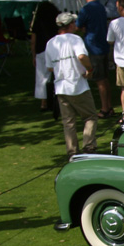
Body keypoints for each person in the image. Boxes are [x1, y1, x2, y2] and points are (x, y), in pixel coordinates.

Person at [45, 12, 98, 156]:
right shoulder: (75, 39)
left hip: (61, 87)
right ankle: (88, 146)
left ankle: (72, 152)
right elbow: (81, 56)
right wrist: (89, 69)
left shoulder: (51, 43)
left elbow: (50, 67)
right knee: (90, 116)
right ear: (70, 25)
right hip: (77, 85)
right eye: (74, 23)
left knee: (68, 122)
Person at [77, 0, 113, 119]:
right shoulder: (99, 6)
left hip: (94, 46)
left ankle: (104, 108)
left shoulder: (86, 9)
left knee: (100, 80)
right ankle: (109, 106)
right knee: (105, 78)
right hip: (103, 45)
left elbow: (79, 25)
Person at [30, 0, 59, 113]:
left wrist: (33, 55)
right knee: (58, 74)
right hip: (54, 49)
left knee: (42, 77)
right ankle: (59, 99)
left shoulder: (37, 21)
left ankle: (44, 102)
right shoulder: (55, 20)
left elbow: (33, 40)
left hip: (41, 50)